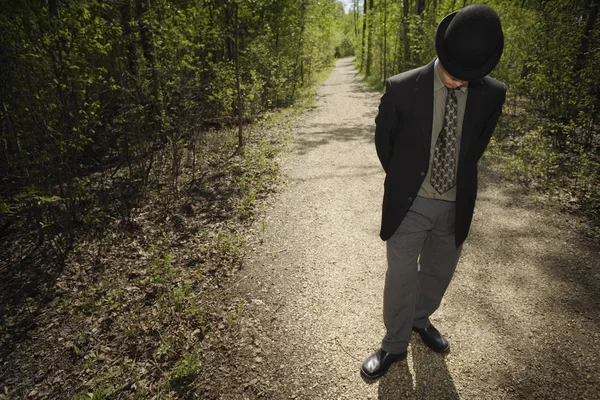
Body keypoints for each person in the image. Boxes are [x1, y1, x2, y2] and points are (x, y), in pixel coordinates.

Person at [361, 4, 506, 380]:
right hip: (410, 202)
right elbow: (385, 145)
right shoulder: (401, 88)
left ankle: (420, 319)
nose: (460, 80)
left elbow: (476, 147)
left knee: (439, 272)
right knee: (401, 274)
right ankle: (394, 344)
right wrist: (407, 178)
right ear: (443, 49)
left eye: (469, 74)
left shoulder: (493, 94)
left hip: (456, 203)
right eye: (455, 72)